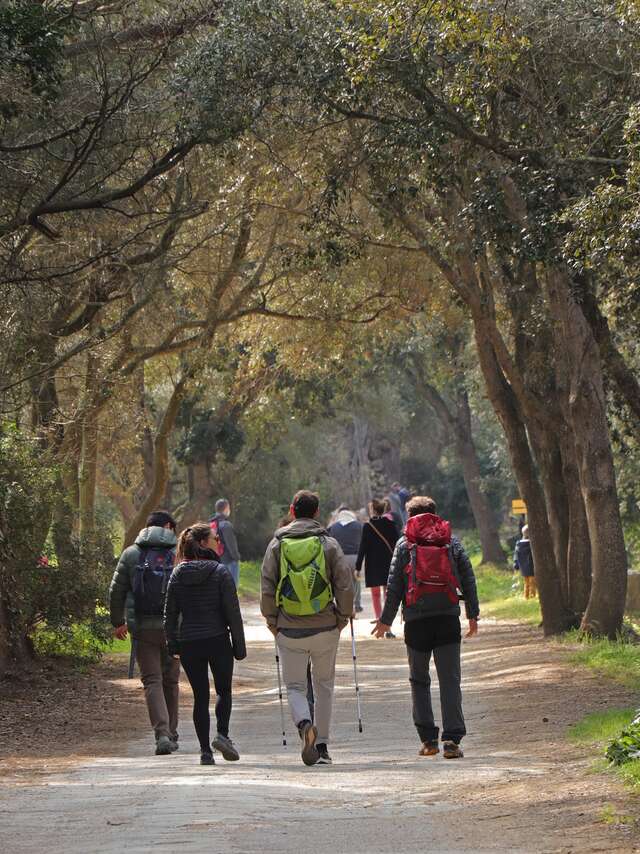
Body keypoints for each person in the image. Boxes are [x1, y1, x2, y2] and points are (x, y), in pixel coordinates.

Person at [372, 496, 479, 760]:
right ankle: (452, 741)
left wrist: (385, 620)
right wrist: (472, 614)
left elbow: (395, 583)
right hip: (447, 619)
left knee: (419, 680)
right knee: (450, 680)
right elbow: (467, 577)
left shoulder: (404, 544)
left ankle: (429, 740)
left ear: (410, 517)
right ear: (434, 514)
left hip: (416, 622)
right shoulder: (450, 541)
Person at [261, 490, 354, 767]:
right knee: (324, 686)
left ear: (292, 510)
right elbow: (344, 584)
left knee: (295, 686)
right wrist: (343, 616)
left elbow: (267, 584)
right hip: (325, 626)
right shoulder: (328, 543)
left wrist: (272, 620)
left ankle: (304, 724)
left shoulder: (277, 545)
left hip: (289, 629)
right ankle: (322, 746)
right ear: (316, 513)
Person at [164, 522, 246, 766]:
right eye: (214, 538)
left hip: (190, 642)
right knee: (223, 690)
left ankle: (204, 752)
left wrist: (173, 645)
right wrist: (239, 647)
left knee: (200, 697)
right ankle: (222, 734)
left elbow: (170, 613)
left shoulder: (178, 573)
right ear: (202, 543)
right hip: (218, 639)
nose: (217, 541)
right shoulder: (220, 572)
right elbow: (233, 612)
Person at [109, 510, 180, 756]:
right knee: (171, 681)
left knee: (152, 680)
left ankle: (161, 734)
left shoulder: (131, 554)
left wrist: (118, 621)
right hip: (173, 630)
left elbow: (115, 591)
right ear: (169, 527)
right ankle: (172, 731)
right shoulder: (177, 553)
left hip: (142, 628)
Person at [355, 498, 399, 636]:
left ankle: (379, 620)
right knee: (388, 594)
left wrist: (357, 566)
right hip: (388, 562)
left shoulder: (367, 526)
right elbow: (398, 543)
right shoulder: (390, 524)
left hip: (373, 564)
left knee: (375, 595)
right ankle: (387, 626)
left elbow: (363, 547)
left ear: (372, 510)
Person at [328, 505, 364, 612]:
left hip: (340, 558)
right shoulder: (358, 525)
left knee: (341, 583)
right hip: (355, 557)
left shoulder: (334, 527)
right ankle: (357, 604)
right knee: (356, 581)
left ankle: (343, 606)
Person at [209, 498, 241, 587]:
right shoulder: (226, 525)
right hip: (229, 561)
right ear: (226, 508)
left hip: (215, 561)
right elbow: (231, 545)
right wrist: (237, 557)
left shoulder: (210, 524)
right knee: (232, 588)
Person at [514, 524, 537, 599]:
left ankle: (526, 596)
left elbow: (516, 557)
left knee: (526, 583)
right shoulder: (532, 544)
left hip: (523, 568)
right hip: (531, 566)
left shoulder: (518, 545)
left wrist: (516, 566)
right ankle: (532, 596)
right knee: (532, 583)